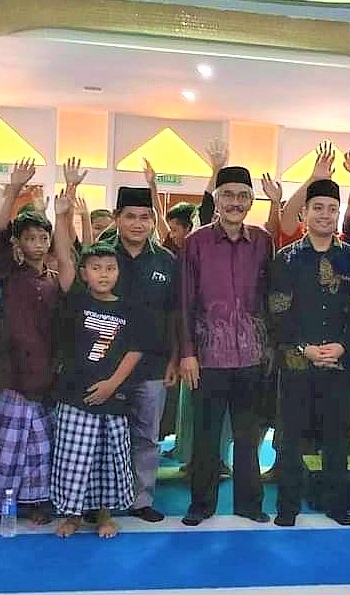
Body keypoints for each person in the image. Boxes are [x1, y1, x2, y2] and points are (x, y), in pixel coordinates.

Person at [268, 179, 350, 527]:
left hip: (339, 362)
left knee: (336, 436)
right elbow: (277, 312)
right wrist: (305, 348)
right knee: (290, 437)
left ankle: (335, 504)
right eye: (318, 208)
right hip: (297, 362)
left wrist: (342, 346)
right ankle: (288, 506)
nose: (325, 215)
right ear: (305, 213)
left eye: (331, 209)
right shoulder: (286, 259)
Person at [179, 166, 273, 527]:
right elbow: (185, 300)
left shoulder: (263, 241)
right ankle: (201, 505)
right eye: (228, 195)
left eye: (242, 196)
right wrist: (187, 352)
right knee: (206, 436)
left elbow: (269, 297)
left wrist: (270, 348)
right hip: (208, 356)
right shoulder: (196, 242)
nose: (236, 203)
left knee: (248, 436)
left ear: (251, 201)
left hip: (252, 356)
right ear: (216, 200)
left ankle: (249, 504)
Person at [49, 196, 147, 539]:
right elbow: (64, 256)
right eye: (96, 268)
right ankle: (72, 515)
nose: (103, 274)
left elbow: (135, 350)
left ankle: (104, 515)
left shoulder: (128, 308)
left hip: (113, 398)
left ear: (118, 273)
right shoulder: (77, 298)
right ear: (84, 274)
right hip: (74, 397)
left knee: (107, 460)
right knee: (73, 459)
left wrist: (112, 384)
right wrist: (62, 217)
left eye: (110, 268)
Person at [0, 160, 60, 525]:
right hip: (12, 376)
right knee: (9, 448)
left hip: (45, 377)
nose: (37, 244)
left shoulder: (55, 280)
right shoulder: (8, 272)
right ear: (19, 242)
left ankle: (37, 502)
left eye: (43, 238)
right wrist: (15, 187)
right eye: (29, 238)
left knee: (41, 448)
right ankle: (2, 505)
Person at [108, 186, 179, 524]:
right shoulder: (101, 257)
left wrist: (175, 359)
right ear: (117, 219)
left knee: (147, 436)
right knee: (106, 435)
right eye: (130, 217)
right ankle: (103, 500)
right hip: (106, 366)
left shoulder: (166, 261)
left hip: (153, 365)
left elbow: (175, 314)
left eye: (145, 217)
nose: (138, 224)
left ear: (153, 221)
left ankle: (141, 498)